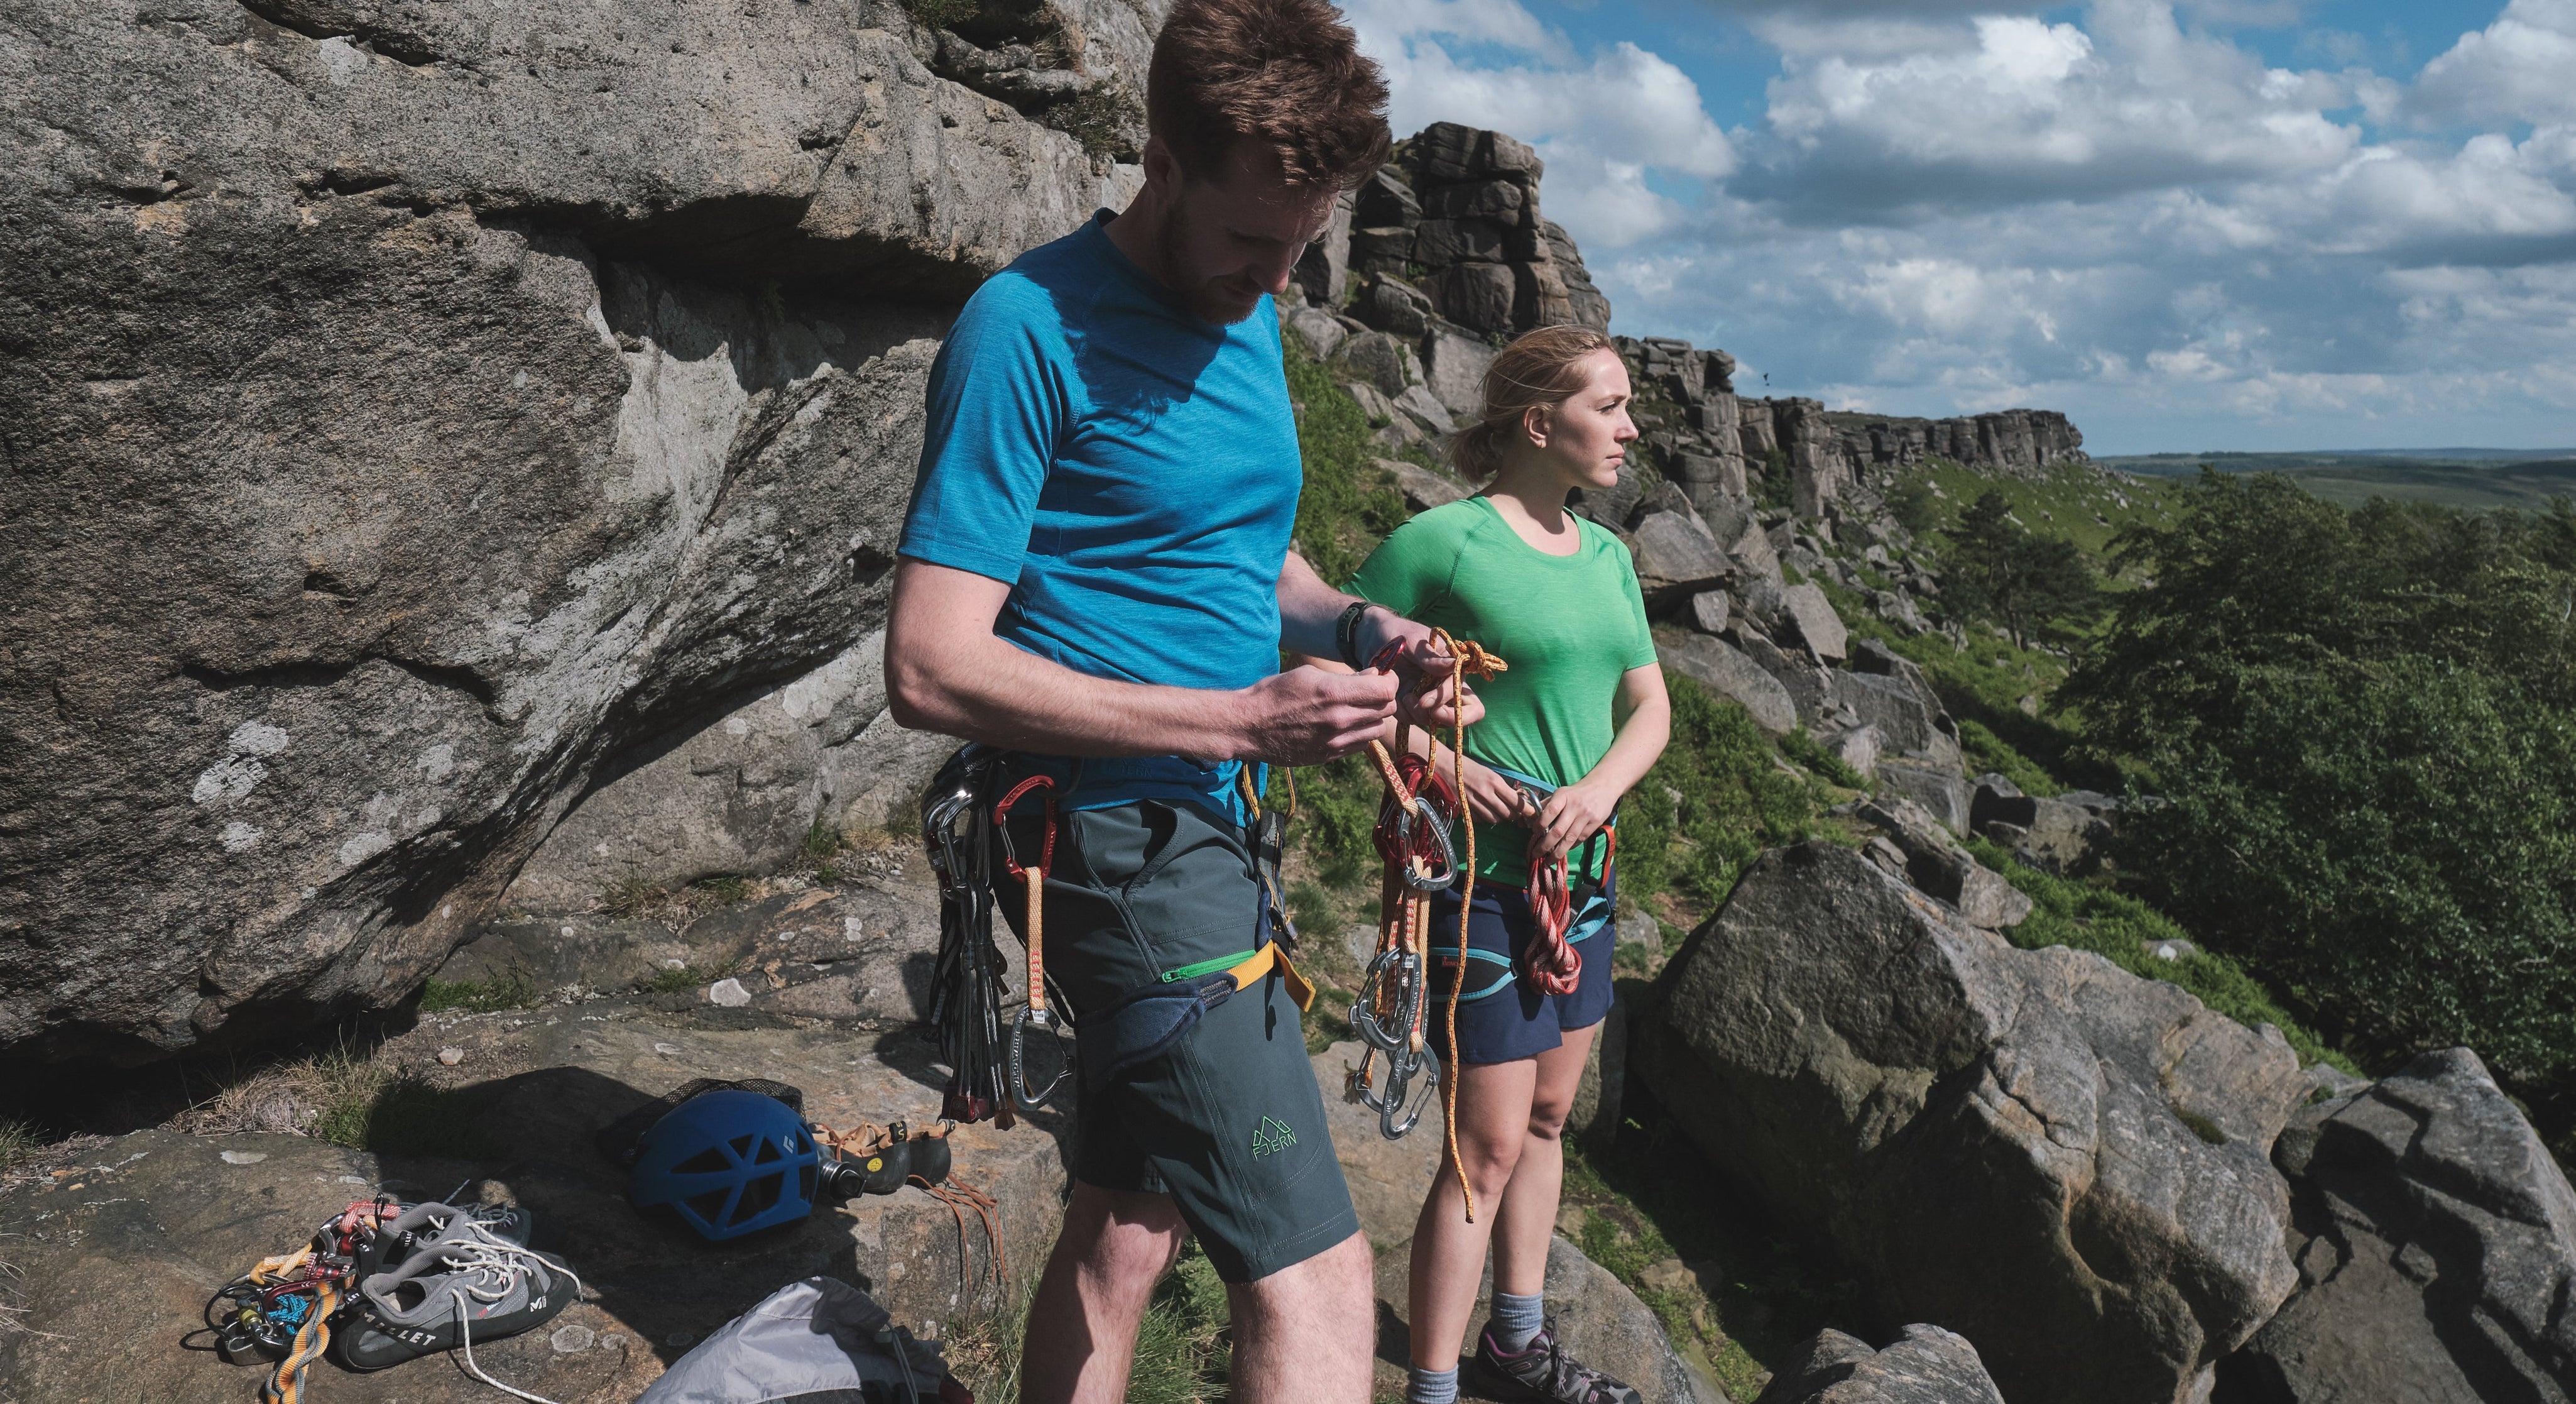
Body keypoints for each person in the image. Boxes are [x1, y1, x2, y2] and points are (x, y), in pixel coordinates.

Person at [882, 1, 1481, 1400]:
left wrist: (1360, 623)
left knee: (1125, 1230)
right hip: (1116, 847)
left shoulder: (1245, 312)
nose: (1274, 281)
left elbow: (1240, 549)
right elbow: (929, 661)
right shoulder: (1026, 329)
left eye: (1301, 249)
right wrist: (1238, 721)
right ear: (1157, 159)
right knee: (1319, 1278)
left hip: (1213, 825)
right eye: (1249, 243)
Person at [1346, 326, 1672, 1404]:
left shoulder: (1610, 555)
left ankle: (1515, 1347)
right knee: (1483, 1144)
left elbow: (1649, 706)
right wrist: (1441, 760)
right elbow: (1313, 667)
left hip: (1581, 874)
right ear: (1542, 423)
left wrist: (1599, 792)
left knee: (1545, 1116)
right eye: (1610, 406)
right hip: (1479, 883)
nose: (1631, 428)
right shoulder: (1444, 544)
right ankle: (1432, 1389)